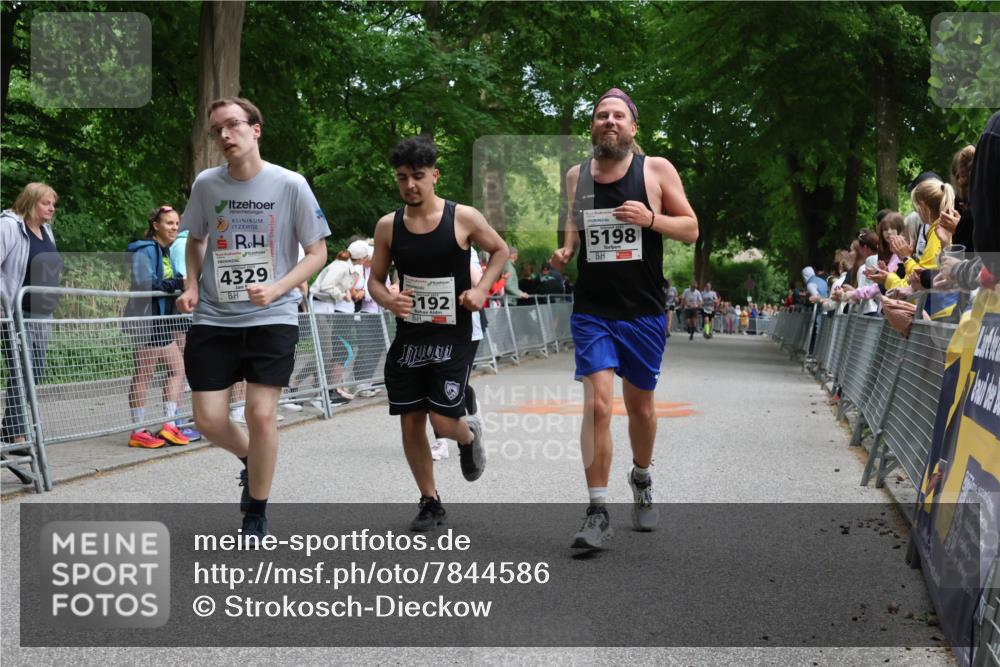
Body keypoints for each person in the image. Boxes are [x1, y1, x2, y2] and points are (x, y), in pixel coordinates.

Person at [549, 87, 698, 549]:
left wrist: (650, 219)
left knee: (641, 409)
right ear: (592, 127)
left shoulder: (655, 170)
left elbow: (691, 229)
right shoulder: (576, 176)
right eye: (600, 116)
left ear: (633, 127)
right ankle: (596, 510)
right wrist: (566, 250)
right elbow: (572, 224)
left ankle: (642, 474)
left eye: (618, 116)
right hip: (594, 308)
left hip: (643, 311)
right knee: (597, 405)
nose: (609, 121)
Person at [176, 97, 330, 539]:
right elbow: (196, 240)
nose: (224, 136)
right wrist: (190, 284)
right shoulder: (207, 184)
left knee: (262, 415)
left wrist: (279, 288)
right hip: (215, 317)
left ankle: (256, 510)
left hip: (273, 315)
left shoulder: (290, 184)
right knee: (207, 420)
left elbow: (316, 252)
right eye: (216, 130)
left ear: (255, 129)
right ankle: (251, 460)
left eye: (231, 126)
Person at [368, 135, 508, 532]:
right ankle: (430, 501)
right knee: (411, 421)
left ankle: (468, 435)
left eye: (417, 176)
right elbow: (375, 281)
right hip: (410, 337)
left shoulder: (462, 217)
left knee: (443, 421)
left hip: (455, 334)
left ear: (434, 175)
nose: (410, 185)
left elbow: (500, 250)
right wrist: (389, 300)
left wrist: (480, 290)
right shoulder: (388, 227)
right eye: (401, 178)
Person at [0, 183, 62, 482]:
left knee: (33, 370)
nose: (51, 208)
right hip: (16, 313)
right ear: (31, 202)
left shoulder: (46, 232)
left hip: (41, 313)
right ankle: (13, 434)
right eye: (47, 203)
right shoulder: (9, 227)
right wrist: (8, 298)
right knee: (20, 369)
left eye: (53, 204)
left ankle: (8, 431)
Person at [124, 205, 193, 448]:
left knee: (177, 368)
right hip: (146, 319)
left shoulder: (163, 250)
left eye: (176, 223)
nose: (174, 227)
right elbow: (145, 283)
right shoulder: (145, 249)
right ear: (156, 226)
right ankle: (138, 430)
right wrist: (178, 282)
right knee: (144, 373)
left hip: (161, 320)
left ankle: (169, 424)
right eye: (168, 223)